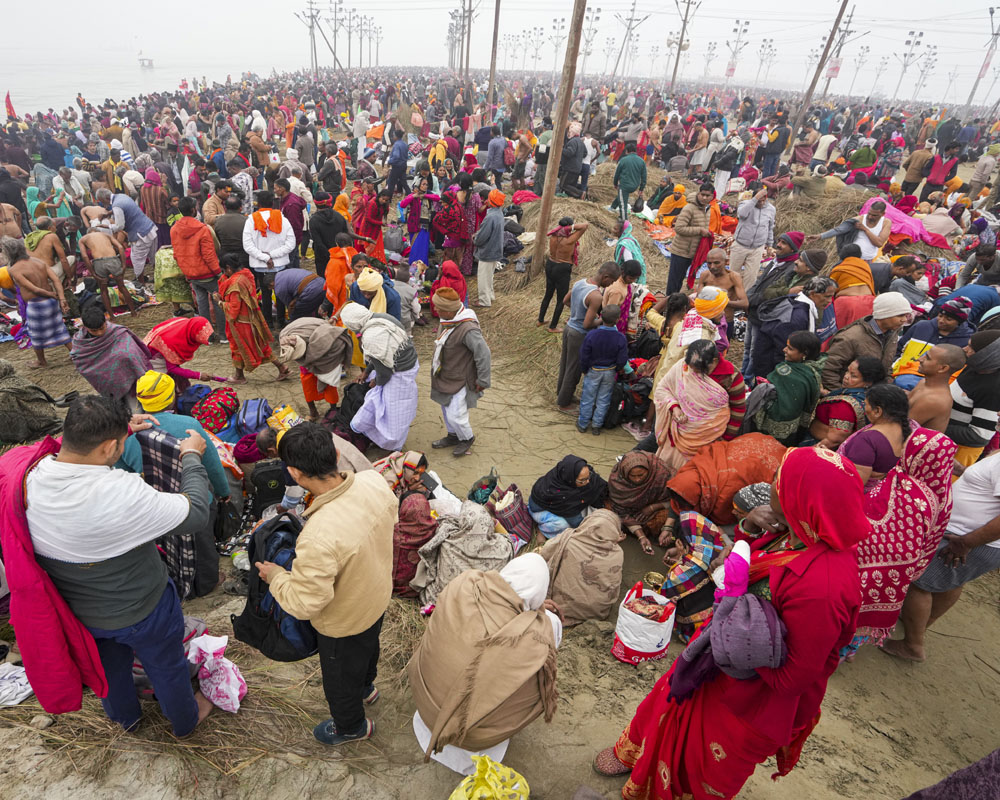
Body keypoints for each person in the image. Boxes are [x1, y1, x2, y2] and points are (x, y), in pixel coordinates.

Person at [595, 446, 868, 799]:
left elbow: (793, 678)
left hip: (750, 695)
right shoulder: (798, 531)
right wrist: (748, 527)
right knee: (668, 699)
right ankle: (635, 754)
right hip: (718, 652)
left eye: (777, 481)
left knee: (708, 762)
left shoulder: (823, 588)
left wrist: (735, 643)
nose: (770, 486)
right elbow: (745, 561)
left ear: (800, 499)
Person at [22, 395, 215, 736]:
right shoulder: (122, 492)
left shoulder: (27, 479)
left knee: (109, 671)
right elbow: (197, 512)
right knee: (167, 668)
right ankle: (185, 722)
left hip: (81, 613)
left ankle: (126, 720)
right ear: (110, 447)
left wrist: (123, 429)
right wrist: (192, 456)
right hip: (145, 610)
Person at [255, 422, 397, 746]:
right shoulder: (373, 481)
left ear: (293, 473)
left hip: (343, 622)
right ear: (335, 454)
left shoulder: (318, 535)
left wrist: (277, 576)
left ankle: (351, 727)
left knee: (339, 680)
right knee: (368, 648)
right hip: (376, 598)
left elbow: (306, 604)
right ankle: (367, 688)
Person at [408, 554, 561, 774]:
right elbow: (541, 635)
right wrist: (537, 610)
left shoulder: (464, 583)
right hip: (473, 738)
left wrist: (528, 604)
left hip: (425, 709)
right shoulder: (540, 634)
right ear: (539, 593)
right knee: (547, 644)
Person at [842, 429, 956, 661]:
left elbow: (870, 522)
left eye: (909, 447)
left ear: (920, 456)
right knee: (864, 611)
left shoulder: (905, 488)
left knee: (847, 605)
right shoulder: (941, 492)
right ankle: (848, 651)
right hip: (897, 569)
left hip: (868, 558)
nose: (903, 450)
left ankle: (832, 652)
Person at [881, 449, 1000, 664]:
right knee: (950, 581)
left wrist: (967, 543)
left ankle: (912, 644)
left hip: (968, 539)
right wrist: (963, 471)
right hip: (965, 536)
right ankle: (921, 623)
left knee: (920, 583)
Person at [652, 339, 745, 471]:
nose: (693, 372)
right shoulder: (683, 365)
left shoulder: (731, 377)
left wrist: (725, 440)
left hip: (709, 438)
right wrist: (675, 407)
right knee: (666, 471)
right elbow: (663, 389)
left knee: (694, 475)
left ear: (714, 361)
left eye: (699, 370)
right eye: (691, 368)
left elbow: (738, 410)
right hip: (679, 434)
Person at [339, 302, 420, 451]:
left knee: (394, 411)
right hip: (407, 362)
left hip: (398, 372)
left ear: (353, 324)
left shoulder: (372, 336)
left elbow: (385, 372)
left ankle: (393, 444)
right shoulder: (382, 318)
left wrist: (376, 382)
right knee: (385, 403)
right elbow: (380, 357)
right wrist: (367, 372)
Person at [429, 288, 491, 457]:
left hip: (460, 379)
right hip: (446, 374)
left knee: (457, 414)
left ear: (449, 310)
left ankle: (467, 438)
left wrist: (483, 380)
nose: (435, 310)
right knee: (445, 407)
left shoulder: (468, 328)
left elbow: (483, 353)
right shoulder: (448, 320)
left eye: (438, 308)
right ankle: (453, 435)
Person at [540, 509, 623, 626]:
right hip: (597, 613)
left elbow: (545, 553)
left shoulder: (568, 538)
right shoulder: (617, 552)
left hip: (560, 607)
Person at [557, 261, 621, 412]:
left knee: (565, 364)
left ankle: (562, 394)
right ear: (606, 277)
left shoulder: (580, 282)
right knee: (574, 369)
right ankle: (564, 403)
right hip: (579, 334)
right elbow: (587, 324)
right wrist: (603, 319)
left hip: (568, 328)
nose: (610, 284)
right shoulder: (596, 296)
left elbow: (565, 300)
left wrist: (577, 312)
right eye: (611, 281)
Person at [216, 254, 291, 384]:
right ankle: (282, 367)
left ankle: (239, 376)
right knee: (261, 346)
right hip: (252, 318)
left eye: (224, 270)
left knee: (237, 347)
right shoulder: (246, 274)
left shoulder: (235, 284)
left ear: (228, 268)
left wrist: (220, 302)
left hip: (241, 322)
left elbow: (233, 309)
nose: (223, 274)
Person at [1, 236, 71, 368]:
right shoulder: (38, 262)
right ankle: (74, 353)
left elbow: (32, 288)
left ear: (9, 253)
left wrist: (52, 294)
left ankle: (41, 361)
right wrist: (61, 298)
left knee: (35, 333)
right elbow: (56, 279)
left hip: (37, 304)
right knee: (59, 328)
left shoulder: (14, 269)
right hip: (51, 302)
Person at [751, 276, 836, 379]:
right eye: (827, 296)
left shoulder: (799, 303)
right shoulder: (796, 317)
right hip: (772, 371)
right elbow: (783, 353)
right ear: (813, 294)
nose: (829, 301)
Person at [821, 292, 910, 391]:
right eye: (900, 316)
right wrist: (841, 396)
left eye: (906, 316)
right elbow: (828, 369)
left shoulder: (892, 333)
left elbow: (887, 369)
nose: (904, 320)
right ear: (884, 314)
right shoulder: (850, 337)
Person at [71, 303, 151, 406]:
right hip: (110, 387)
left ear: (106, 321)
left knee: (136, 408)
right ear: (85, 327)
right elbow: (81, 363)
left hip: (133, 383)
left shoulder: (119, 333)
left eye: (102, 328)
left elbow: (132, 354)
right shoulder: (81, 343)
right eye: (94, 331)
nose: (99, 333)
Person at [753, 330, 824, 445]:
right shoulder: (813, 369)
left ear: (804, 354)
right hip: (797, 428)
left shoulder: (788, 374)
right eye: (786, 346)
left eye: (790, 348)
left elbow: (785, 409)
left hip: (776, 428)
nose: (784, 350)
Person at [170, 197, 226, 338]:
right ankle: (223, 335)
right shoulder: (202, 229)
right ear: (193, 210)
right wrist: (218, 273)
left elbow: (176, 254)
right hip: (207, 273)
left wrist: (186, 270)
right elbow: (209, 255)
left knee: (201, 302)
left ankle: (207, 334)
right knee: (217, 300)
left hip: (191, 274)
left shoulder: (175, 229)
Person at [839, 383, 911, 488]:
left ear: (877, 411)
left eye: (866, 404)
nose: (864, 408)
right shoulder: (912, 428)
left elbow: (853, 484)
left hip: (866, 500)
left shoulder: (867, 440)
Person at [945, 330, 1000, 467]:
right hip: (944, 440)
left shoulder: (993, 388)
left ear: (986, 356)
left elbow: (980, 436)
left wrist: (937, 426)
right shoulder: (973, 368)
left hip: (959, 453)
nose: (965, 349)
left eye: (972, 348)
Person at [893, 297, 974, 389]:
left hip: (929, 388)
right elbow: (897, 349)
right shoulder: (921, 326)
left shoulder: (966, 341)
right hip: (898, 377)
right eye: (940, 315)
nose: (941, 320)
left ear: (959, 322)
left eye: (949, 319)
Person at [242, 191, 296, 328]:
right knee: (281, 293)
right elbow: (291, 244)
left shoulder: (251, 220)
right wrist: (272, 255)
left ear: (258, 204)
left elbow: (247, 246)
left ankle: (268, 322)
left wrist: (265, 257)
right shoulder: (283, 219)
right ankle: (282, 321)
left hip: (260, 264)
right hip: (280, 264)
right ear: (273, 203)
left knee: (265, 294)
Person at [607, 450, 676, 555]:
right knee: (608, 513)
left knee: (666, 516)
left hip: (656, 508)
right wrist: (641, 536)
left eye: (641, 475)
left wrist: (652, 508)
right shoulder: (617, 481)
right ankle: (638, 532)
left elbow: (676, 499)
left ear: (649, 471)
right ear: (624, 473)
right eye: (632, 476)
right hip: (628, 511)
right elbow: (620, 510)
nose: (637, 480)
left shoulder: (662, 473)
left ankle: (660, 535)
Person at [577, 305, 629, 435]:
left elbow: (584, 355)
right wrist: (617, 369)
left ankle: (583, 424)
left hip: (593, 370)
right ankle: (596, 425)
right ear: (617, 320)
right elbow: (622, 358)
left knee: (588, 397)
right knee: (603, 399)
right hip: (610, 371)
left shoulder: (592, 335)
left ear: (601, 317)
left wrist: (584, 369)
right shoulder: (620, 338)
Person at [529, 455, 609, 538]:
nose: (588, 481)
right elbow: (575, 522)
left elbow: (599, 486)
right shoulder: (560, 494)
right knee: (563, 525)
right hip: (540, 511)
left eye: (588, 477)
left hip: (559, 505)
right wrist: (592, 532)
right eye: (582, 480)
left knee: (590, 500)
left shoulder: (576, 472)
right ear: (570, 479)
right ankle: (543, 531)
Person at [96, 188, 158, 282]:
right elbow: (125, 208)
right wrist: (108, 213)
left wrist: (107, 226)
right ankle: (159, 278)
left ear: (106, 198)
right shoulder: (122, 196)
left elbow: (120, 226)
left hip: (140, 235)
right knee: (154, 257)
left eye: (101, 201)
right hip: (150, 228)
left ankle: (141, 284)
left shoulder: (117, 206)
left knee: (137, 260)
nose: (102, 204)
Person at [142, 316, 219, 392]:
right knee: (162, 387)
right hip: (154, 357)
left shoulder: (186, 324)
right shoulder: (171, 344)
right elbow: (172, 368)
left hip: (157, 348)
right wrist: (198, 375)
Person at [77, 228, 139, 316]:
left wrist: (93, 273)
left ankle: (112, 316)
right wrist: (123, 265)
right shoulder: (106, 235)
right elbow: (120, 247)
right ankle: (133, 312)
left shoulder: (83, 239)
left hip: (98, 262)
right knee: (122, 287)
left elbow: (85, 256)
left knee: (103, 291)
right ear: (98, 231)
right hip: (113, 260)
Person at [0, 358, 62, 444]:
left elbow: (7, 422)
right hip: (48, 418)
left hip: (38, 427)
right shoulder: (17, 380)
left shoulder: (4, 394)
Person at [906, 345, 967, 432]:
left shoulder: (934, 400)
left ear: (943, 368)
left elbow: (900, 430)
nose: (920, 359)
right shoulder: (923, 382)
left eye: (927, 358)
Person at [667, 183, 714, 295]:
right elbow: (679, 228)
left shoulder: (707, 209)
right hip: (681, 251)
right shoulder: (689, 208)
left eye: (708, 195)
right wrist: (699, 230)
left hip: (692, 251)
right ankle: (668, 304)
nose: (704, 198)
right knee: (674, 281)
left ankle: (675, 301)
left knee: (680, 279)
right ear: (698, 193)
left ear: (712, 196)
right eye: (702, 194)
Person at [729, 186, 775, 288]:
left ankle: (744, 298)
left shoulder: (771, 209)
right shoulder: (745, 204)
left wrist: (770, 245)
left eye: (764, 199)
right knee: (733, 273)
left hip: (757, 248)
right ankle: (728, 296)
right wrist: (754, 200)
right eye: (759, 200)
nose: (762, 202)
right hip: (741, 245)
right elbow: (741, 214)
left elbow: (770, 227)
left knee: (751, 277)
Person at [694, 248, 748, 325]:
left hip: (725, 321)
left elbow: (744, 303)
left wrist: (721, 302)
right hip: (705, 321)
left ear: (726, 262)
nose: (712, 266)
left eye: (716, 263)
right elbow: (698, 299)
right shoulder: (705, 275)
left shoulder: (733, 277)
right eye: (709, 263)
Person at [472, 189, 505, 308]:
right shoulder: (499, 213)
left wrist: (475, 238)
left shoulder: (490, 217)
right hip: (496, 249)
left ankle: (484, 300)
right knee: (489, 276)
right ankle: (490, 296)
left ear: (491, 201)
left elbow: (482, 237)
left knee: (483, 277)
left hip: (487, 250)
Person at [611, 142, 647, 214]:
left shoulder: (623, 160)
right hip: (635, 186)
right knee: (621, 196)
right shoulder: (642, 161)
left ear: (627, 151)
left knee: (622, 204)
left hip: (625, 185)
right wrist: (641, 189)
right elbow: (644, 177)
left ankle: (624, 220)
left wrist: (615, 183)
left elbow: (617, 173)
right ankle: (612, 207)